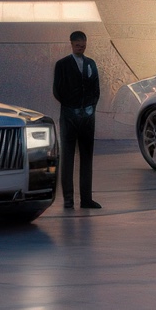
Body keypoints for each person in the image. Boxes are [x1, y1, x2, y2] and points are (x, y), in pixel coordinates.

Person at [50, 29, 102, 209]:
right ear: (71, 44)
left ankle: (86, 199)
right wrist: (72, 107)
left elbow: (96, 88)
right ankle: (68, 199)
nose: (81, 48)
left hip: (87, 117)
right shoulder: (62, 64)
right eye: (78, 45)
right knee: (68, 157)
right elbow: (57, 90)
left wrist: (91, 107)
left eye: (83, 45)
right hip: (69, 117)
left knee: (87, 158)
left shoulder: (91, 64)